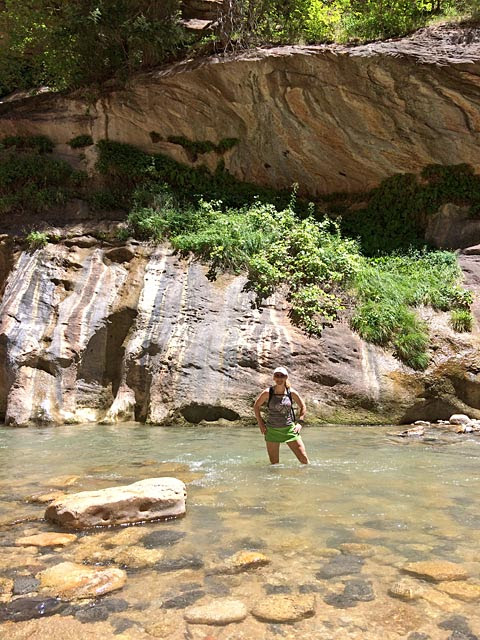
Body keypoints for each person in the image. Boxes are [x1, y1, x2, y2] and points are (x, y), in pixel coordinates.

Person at [254, 367, 309, 464]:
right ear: (273, 378)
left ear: (286, 377)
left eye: (282, 376)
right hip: (272, 431)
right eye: (277, 376)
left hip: (289, 430)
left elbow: (303, 406)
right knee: (274, 464)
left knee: (304, 460)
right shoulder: (268, 392)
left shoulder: (291, 392)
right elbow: (256, 406)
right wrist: (261, 423)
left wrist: (300, 423)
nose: (279, 378)